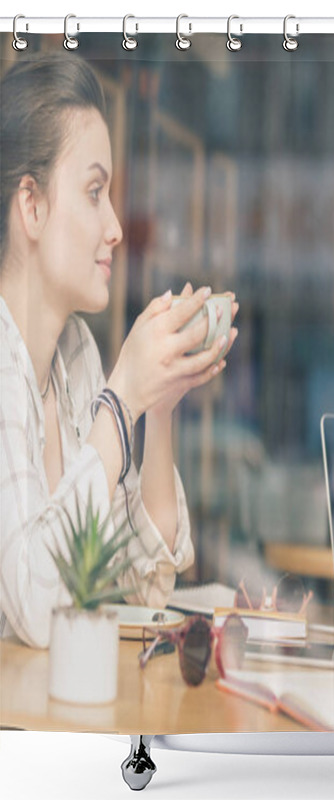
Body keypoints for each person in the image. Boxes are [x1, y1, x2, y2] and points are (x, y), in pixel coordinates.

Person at [0, 56, 238, 648]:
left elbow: (142, 575)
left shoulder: (73, 352)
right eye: (93, 192)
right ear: (30, 206)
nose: (115, 227)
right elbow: (34, 608)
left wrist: (158, 405)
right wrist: (122, 395)